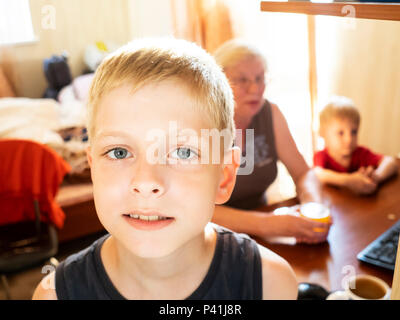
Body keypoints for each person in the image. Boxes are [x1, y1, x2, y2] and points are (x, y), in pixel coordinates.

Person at [32, 38, 298, 300]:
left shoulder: (271, 285)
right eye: (119, 152)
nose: (146, 182)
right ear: (93, 169)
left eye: (183, 152)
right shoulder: (54, 295)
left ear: (224, 177)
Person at [212, 39, 331, 244]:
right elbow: (195, 208)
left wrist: (313, 207)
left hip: (259, 235)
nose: (255, 88)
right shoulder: (203, 122)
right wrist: (266, 223)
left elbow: (303, 173)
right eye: (242, 79)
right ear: (219, 82)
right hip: (212, 236)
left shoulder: (271, 113)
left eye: (260, 78)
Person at [313, 95, 398, 194]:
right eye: (340, 133)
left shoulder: (361, 153)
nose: (349, 139)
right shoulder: (321, 156)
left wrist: (376, 177)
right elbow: (317, 174)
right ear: (322, 133)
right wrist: (349, 180)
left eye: (354, 132)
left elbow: (391, 162)